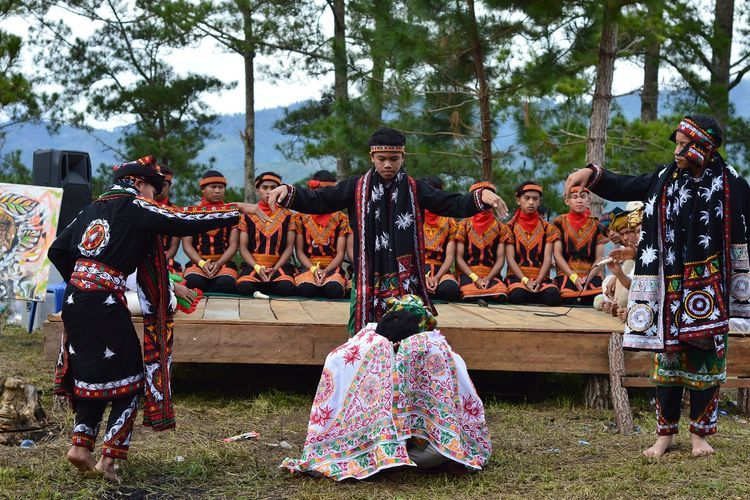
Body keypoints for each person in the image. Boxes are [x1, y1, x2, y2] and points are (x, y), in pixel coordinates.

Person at [48, 156, 265, 481]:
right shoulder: (135, 206)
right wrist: (237, 209)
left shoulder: (90, 209)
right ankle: (108, 460)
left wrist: (83, 281)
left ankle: (81, 446)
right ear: (138, 183)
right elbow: (183, 219)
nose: (154, 196)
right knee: (133, 380)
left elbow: (57, 249)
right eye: (153, 189)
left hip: (76, 301)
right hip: (104, 301)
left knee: (91, 374)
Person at [565, 114, 750, 457]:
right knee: (667, 360)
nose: (677, 151)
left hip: (710, 288)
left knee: (705, 360)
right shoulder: (665, 179)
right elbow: (624, 185)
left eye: (683, 145)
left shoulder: (732, 185)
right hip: (666, 286)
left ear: (704, 147)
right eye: (677, 145)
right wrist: (590, 174)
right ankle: (664, 435)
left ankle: (700, 437)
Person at [267, 127, 508, 334]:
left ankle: (406, 373)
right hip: (367, 271)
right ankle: (364, 373)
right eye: (382, 158)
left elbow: (451, 203)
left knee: (409, 327)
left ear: (403, 156)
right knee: (363, 327)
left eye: (394, 158)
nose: (388, 164)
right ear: (372, 156)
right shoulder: (356, 187)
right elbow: (318, 200)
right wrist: (288, 192)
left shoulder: (415, 189)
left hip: (406, 274)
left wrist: (480, 196)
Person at [281, 295, 492, 480]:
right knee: (428, 453)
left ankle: (390, 458)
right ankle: (389, 457)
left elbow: (453, 418)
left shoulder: (435, 356)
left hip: (412, 438)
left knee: (438, 451)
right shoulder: (365, 356)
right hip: (378, 439)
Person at [236, 172, 297, 297]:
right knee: (244, 286)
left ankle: (263, 289)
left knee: (287, 287)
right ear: (257, 190)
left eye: (273, 188)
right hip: (254, 264)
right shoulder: (247, 215)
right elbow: (242, 247)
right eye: (265, 188)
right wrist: (258, 267)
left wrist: (275, 268)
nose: (269, 191)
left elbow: (289, 248)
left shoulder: (288, 216)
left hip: (278, 265)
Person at [293, 170, 351, 299]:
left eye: (328, 191)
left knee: (334, 290)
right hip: (308, 267)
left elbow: (340, 253)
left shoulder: (340, 217)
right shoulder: (300, 217)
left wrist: (326, 270)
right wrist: (314, 269)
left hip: (332, 267)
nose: (324, 194)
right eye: (320, 190)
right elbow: (299, 252)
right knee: (306, 290)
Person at [505, 181, 562, 306]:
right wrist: (525, 280)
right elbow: (510, 259)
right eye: (527, 198)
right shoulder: (509, 227)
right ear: (518, 200)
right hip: (517, 277)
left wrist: (539, 279)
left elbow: (548, 258)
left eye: (535, 199)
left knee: (553, 296)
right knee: (517, 296)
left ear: (539, 202)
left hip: (541, 278)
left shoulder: (547, 228)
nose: (531, 202)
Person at [182, 171, 239, 294]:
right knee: (193, 282)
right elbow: (187, 244)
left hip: (223, 263)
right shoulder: (192, 213)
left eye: (221, 187)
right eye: (213, 187)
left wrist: (218, 264)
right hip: (198, 263)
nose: (217, 191)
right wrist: (202, 263)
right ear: (203, 189)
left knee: (226, 284)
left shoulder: (232, 214)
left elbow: (234, 245)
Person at [454, 181, 511, 301]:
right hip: (468, 274)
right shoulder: (463, 225)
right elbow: (458, 258)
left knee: (501, 294)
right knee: (468, 294)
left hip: (491, 275)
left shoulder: (501, 227)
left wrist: (488, 278)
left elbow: (501, 259)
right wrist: (475, 278)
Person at [552, 187, 608, 305]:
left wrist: (588, 277)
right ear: (567, 201)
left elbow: (599, 258)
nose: (579, 200)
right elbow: (557, 255)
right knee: (567, 298)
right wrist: (573, 277)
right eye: (575, 197)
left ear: (588, 200)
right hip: (567, 273)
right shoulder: (559, 222)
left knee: (598, 300)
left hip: (591, 274)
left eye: (583, 196)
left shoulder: (596, 224)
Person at [420, 176, 461, 302]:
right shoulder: (412, 217)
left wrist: (437, 277)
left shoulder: (450, 221)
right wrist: (423, 276)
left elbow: (450, 257)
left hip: (441, 269)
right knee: (412, 286)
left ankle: (433, 287)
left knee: (451, 290)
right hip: (417, 267)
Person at [152, 165, 181, 271]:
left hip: (167, 259)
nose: (160, 189)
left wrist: (161, 262)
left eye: (164, 185)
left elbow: (174, 246)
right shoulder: (141, 206)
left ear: (169, 186)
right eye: (157, 185)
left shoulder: (176, 211)